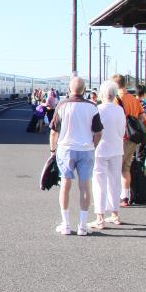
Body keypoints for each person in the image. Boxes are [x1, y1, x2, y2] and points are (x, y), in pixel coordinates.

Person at [49, 77, 103, 236]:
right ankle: (83, 226)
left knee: (65, 185)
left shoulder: (62, 105)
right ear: (84, 90)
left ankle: (66, 224)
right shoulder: (92, 107)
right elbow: (98, 132)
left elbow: (53, 131)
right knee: (85, 186)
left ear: (69, 89)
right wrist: (93, 145)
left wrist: (52, 150)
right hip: (86, 149)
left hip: (66, 149)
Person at [90, 80, 125, 229]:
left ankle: (100, 217)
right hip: (117, 149)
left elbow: (93, 130)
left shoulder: (97, 109)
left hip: (100, 149)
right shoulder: (120, 110)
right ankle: (115, 214)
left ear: (102, 94)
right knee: (115, 181)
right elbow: (122, 131)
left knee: (99, 182)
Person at [112, 75, 146, 207]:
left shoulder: (116, 99)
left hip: (121, 138)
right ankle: (125, 196)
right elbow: (143, 116)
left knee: (115, 168)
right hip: (133, 138)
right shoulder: (133, 99)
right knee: (126, 168)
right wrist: (134, 122)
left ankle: (115, 197)